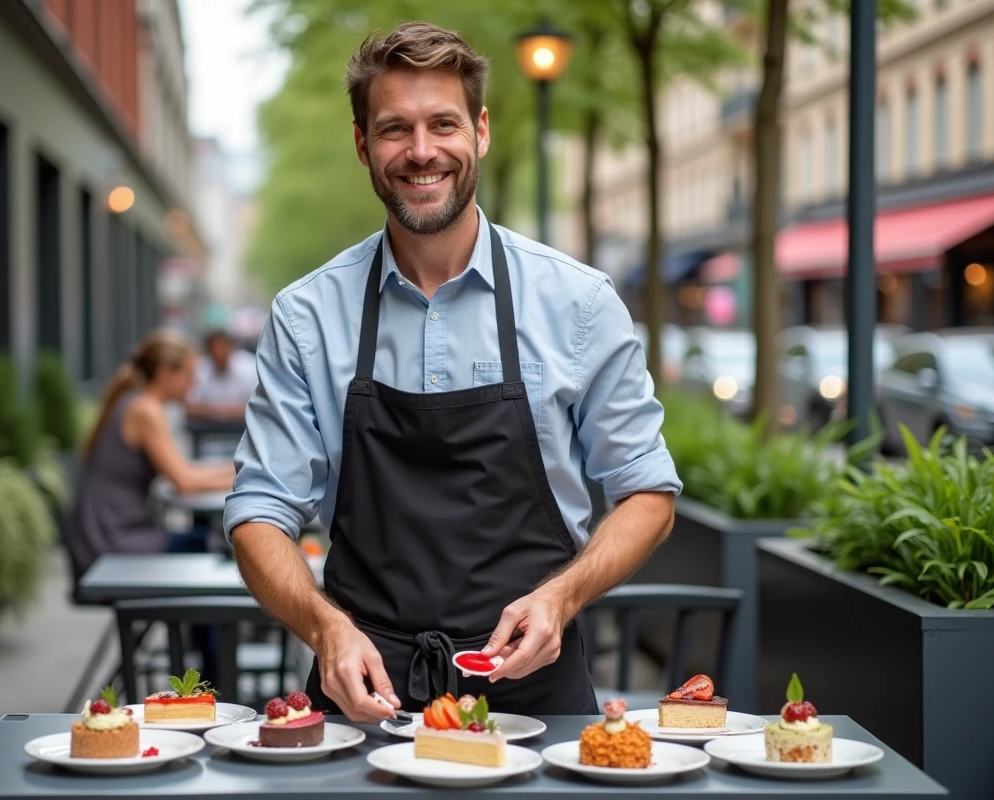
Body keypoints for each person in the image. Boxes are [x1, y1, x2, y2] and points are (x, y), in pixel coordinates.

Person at [224, 22, 682, 723]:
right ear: (361, 145)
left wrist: (563, 597)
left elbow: (648, 492)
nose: (421, 151)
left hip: (539, 705)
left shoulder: (579, 303)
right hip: (361, 705)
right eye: (393, 129)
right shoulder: (306, 316)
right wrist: (326, 629)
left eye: (443, 123)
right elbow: (258, 511)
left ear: (482, 131)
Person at [70, 330, 235, 578]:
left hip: (108, 533)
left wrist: (238, 469)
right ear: (165, 374)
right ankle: (206, 617)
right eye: (189, 374)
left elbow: (184, 472)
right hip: (113, 540)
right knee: (213, 547)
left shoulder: (137, 402)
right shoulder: (145, 410)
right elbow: (185, 482)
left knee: (208, 543)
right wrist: (245, 479)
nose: (194, 383)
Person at [186, 329, 258, 423]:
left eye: (223, 346)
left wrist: (231, 411)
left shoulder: (249, 367)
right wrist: (211, 411)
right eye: (214, 348)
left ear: (231, 347)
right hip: (207, 428)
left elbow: (260, 405)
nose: (219, 352)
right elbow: (189, 407)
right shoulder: (199, 369)